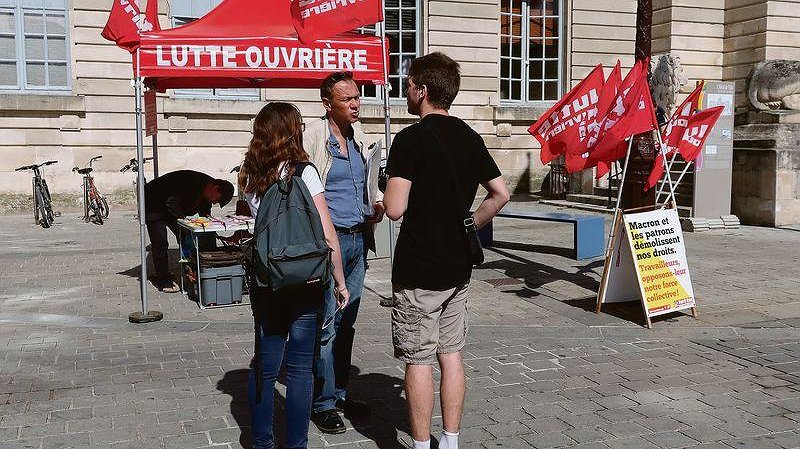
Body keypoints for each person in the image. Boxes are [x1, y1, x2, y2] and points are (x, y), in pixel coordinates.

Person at [383, 52, 510, 449]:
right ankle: (450, 441)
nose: (405, 90)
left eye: (408, 85)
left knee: (418, 358)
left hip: (420, 266)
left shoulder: (410, 139)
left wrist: (380, 194)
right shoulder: (470, 137)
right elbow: (500, 193)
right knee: (451, 354)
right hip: (458, 265)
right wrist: (471, 223)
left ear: (422, 90)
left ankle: (423, 445)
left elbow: (394, 208)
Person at [240, 102, 350, 449]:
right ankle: (296, 444)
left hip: (268, 280)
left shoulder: (249, 174)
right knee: (301, 369)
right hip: (306, 279)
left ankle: (261, 442)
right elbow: (327, 233)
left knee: (265, 367)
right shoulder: (305, 172)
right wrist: (340, 281)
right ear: (293, 132)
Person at [303, 71, 384, 434]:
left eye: (357, 97)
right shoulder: (313, 137)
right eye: (347, 99)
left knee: (346, 322)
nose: (355, 104)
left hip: (358, 239)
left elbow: (369, 182)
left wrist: (377, 202)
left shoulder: (359, 136)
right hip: (327, 244)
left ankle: (338, 393)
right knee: (326, 323)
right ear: (327, 104)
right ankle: (321, 402)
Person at [144, 170, 234, 292]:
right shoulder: (192, 183)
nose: (215, 203)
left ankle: (192, 270)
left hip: (171, 208)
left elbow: (205, 212)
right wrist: (185, 221)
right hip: (154, 204)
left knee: (185, 237)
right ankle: (164, 281)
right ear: (215, 188)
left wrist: (210, 224)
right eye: (217, 200)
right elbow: (171, 203)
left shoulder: (207, 189)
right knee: (160, 243)